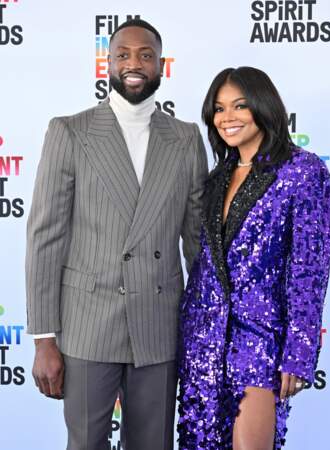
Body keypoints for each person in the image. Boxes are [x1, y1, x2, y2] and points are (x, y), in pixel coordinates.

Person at [25, 18, 208, 450]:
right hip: (88, 324)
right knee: (86, 443)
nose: (134, 63)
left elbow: (197, 240)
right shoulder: (70, 132)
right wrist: (44, 340)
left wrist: (209, 327)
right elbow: (44, 239)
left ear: (161, 65)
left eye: (145, 55)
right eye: (123, 54)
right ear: (107, 63)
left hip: (159, 324)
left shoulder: (185, 139)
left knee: (153, 443)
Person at [177, 66, 330, 450]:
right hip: (203, 342)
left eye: (239, 106)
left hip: (260, 342)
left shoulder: (302, 171)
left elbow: (308, 271)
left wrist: (299, 352)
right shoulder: (214, 179)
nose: (226, 118)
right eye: (218, 109)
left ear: (262, 107)